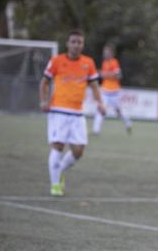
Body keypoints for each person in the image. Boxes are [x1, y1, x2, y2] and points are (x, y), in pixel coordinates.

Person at [39, 29, 105, 196]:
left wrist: (100, 103)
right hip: (58, 111)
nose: (76, 45)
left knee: (79, 151)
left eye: (79, 42)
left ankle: (59, 170)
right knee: (58, 146)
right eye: (73, 41)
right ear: (68, 44)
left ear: (83, 45)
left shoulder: (88, 63)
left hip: (77, 113)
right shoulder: (56, 61)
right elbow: (44, 82)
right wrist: (44, 100)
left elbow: (94, 86)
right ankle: (55, 186)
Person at [92, 44, 132, 135]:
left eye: (107, 52)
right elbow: (103, 75)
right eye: (104, 52)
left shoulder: (114, 62)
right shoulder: (104, 63)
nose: (105, 53)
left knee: (118, 111)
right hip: (105, 91)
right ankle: (96, 130)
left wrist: (105, 74)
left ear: (111, 53)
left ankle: (128, 123)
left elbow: (118, 76)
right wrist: (103, 74)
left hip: (114, 92)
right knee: (100, 109)